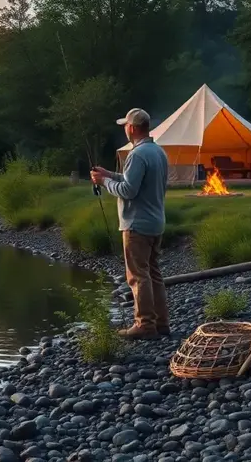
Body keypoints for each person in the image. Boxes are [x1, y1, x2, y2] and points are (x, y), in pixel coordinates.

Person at [90, 108, 170, 340]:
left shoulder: (137, 155)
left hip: (137, 225)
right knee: (154, 273)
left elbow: (128, 190)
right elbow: (133, 181)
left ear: (132, 128)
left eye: (126, 125)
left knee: (138, 275)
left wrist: (104, 182)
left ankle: (145, 324)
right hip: (156, 222)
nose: (124, 128)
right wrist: (110, 174)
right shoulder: (158, 152)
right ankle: (161, 323)